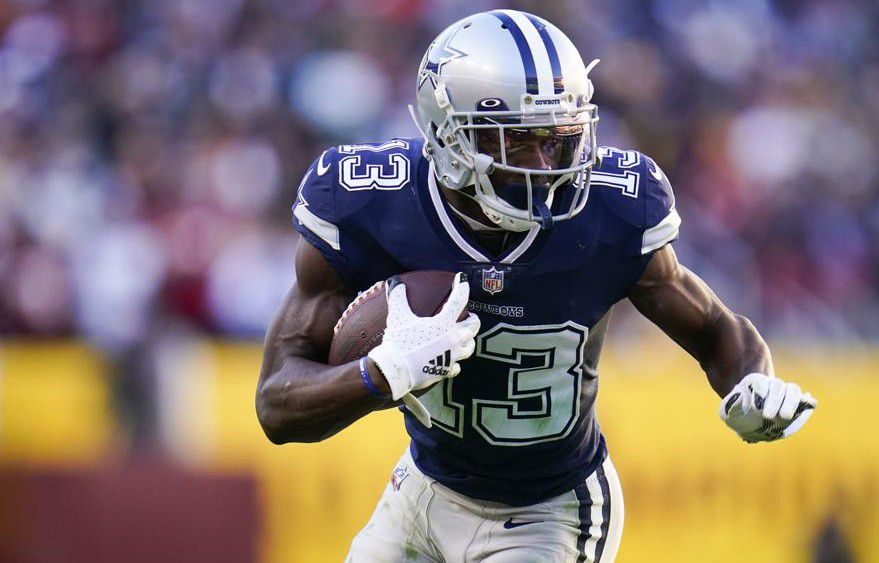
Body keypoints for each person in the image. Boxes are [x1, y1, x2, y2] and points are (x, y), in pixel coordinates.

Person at [255, 9, 816, 562]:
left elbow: (714, 325)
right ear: (449, 134)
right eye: (518, 142)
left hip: (549, 512)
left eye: (560, 139)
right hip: (420, 491)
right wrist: (381, 375)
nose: (548, 165)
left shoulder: (609, 212)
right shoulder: (372, 203)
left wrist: (749, 381)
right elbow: (278, 406)